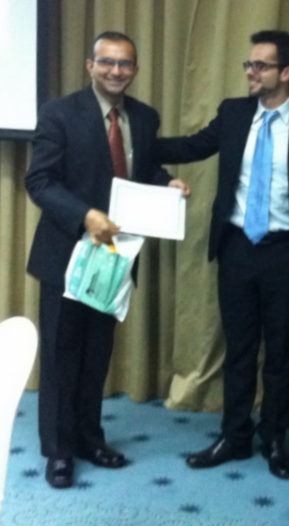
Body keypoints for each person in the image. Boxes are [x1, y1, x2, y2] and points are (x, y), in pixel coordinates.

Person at [157, 30, 289, 480]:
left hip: (288, 254)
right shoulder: (233, 113)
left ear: (288, 72)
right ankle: (234, 435)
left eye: (260, 65)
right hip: (238, 248)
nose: (250, 72)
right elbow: (192, 146)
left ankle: (275, 439)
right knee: (239, 350)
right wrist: (136, 142)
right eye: (249, 64)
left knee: (281, 352)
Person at [25, 31, 190, 489]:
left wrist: (167, 183)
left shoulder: (144, 117)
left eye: (125, 63)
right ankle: (59, 450)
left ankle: (88, 438)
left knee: (97, 355)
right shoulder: (59, 113)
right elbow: (39, 181)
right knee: (62, 355)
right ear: (90, 65)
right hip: (67, 255)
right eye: (107, 62)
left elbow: (143, 170)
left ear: (135, 69)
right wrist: (85, 216)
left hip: (116, 258)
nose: (116, 71)